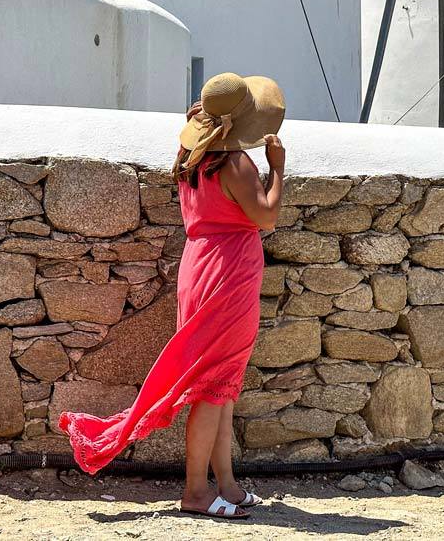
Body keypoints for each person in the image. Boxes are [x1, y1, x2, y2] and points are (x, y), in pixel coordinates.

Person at [59, 72, 286, 520]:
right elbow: (267, 217)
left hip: (200, 267)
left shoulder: (192, 155)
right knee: (213, 387)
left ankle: (228, 486)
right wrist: (278, 166)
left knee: (219, 385)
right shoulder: (236, 164)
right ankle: (196, 492)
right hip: (229, 273)